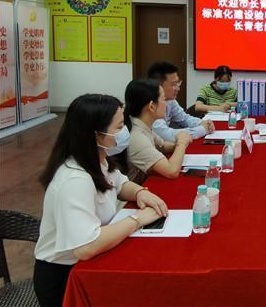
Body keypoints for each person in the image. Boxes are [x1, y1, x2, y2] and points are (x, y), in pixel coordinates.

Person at [33, 94, 167, 307]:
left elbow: (120, 184)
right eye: (120, 126)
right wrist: (137, 220)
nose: (125, 132)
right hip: (66, 278)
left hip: (90, 262)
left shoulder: (98, 160)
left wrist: (140, 193)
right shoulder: (74, 179)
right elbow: (86, 246)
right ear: (96, 134)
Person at [125, 79, 192, 179]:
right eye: (164, 99)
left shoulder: (142, 124)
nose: (166, 103)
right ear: (152, 106)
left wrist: (178, 144)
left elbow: (162, 146)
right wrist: (181, 143)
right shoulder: (136, 136)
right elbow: (171, 171)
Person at [147, 61, 214, 142]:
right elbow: (167, 135)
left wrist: (202, 123)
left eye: (178, 83)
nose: (178, 88)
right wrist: (202, 129)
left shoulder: (170, 100)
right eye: (173, 84)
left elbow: (184, 118)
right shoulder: (150, 105)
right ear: (159, 86)